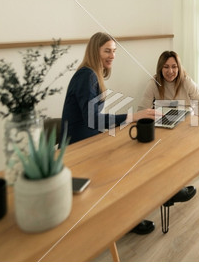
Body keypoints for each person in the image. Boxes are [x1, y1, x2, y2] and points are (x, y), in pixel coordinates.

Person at [61, 32, 157, 235]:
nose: (112, 55)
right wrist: (133, 116)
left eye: (114, 51)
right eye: (107, 51)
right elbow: (93, 119)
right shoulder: (86, 75)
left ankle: (128, 216)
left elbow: (94, 118)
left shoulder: (92, 74)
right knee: (126, 164)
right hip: (78, 148)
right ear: (95, 51)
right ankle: (127, 219)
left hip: (90, 140)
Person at [139, 50, 199, 207]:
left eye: (174, 67)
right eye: (166, 67)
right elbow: (142, 109)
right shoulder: (153, 83)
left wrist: (195, 122)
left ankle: (170, 191)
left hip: (185, 126)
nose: (170, 71)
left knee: (171, 152)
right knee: (155, 153)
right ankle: (167, 192)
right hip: (163, 126)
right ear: (160, 68)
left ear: (179, 67)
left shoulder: (185, 81)